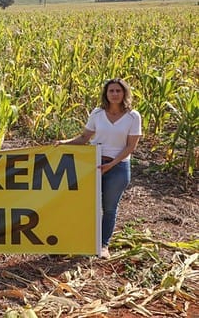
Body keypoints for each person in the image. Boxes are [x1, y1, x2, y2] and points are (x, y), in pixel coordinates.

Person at [55, 78, 142, 259]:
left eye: (118, 91)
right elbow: (84, 138)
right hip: (93, 164)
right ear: (106, 94)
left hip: (118, 167)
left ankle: (103, 245)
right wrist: (64, 143)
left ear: (124, 93)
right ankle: (79, 241)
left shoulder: (133, 116)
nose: (115, 94)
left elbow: (130, 146)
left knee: (109, 208)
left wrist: (111, 164)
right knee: (84, 205)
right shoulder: (97, 113)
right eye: (111, 91)